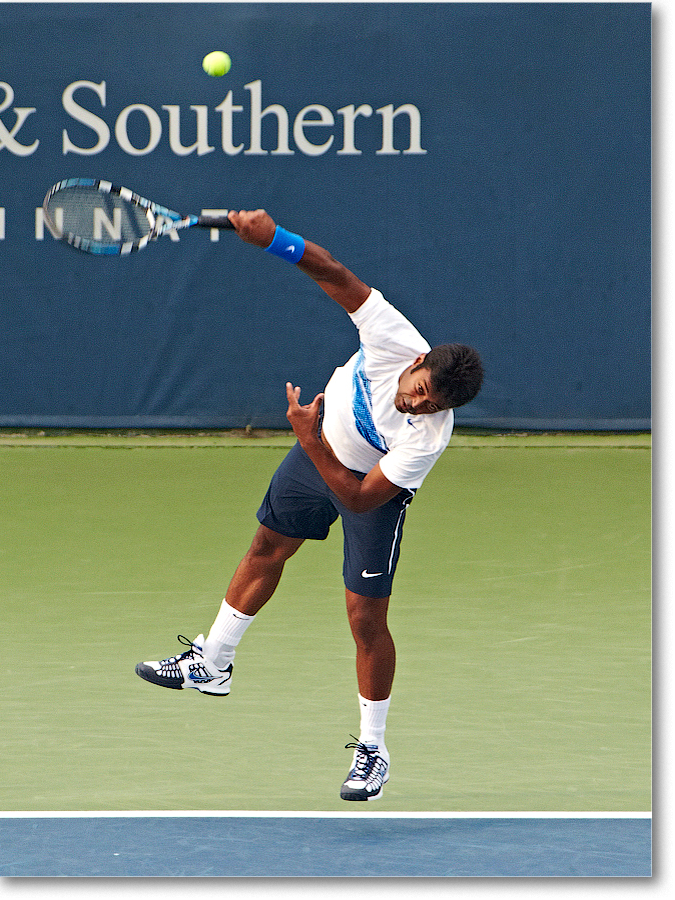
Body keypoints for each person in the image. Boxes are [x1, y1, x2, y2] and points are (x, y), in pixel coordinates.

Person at [136, 210, 484, 801]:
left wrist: (307, 439)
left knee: (366, 621)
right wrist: (276, 240)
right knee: (266, 547)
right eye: (420, 391)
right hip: (318, 450)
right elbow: (334, 273)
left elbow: (356, 495)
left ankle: (373, 751)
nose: (419, 406)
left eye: (431, 407)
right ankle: (212, 663)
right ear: (416, 363)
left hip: (359, 483)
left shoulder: (428, 436)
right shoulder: (394, 337)